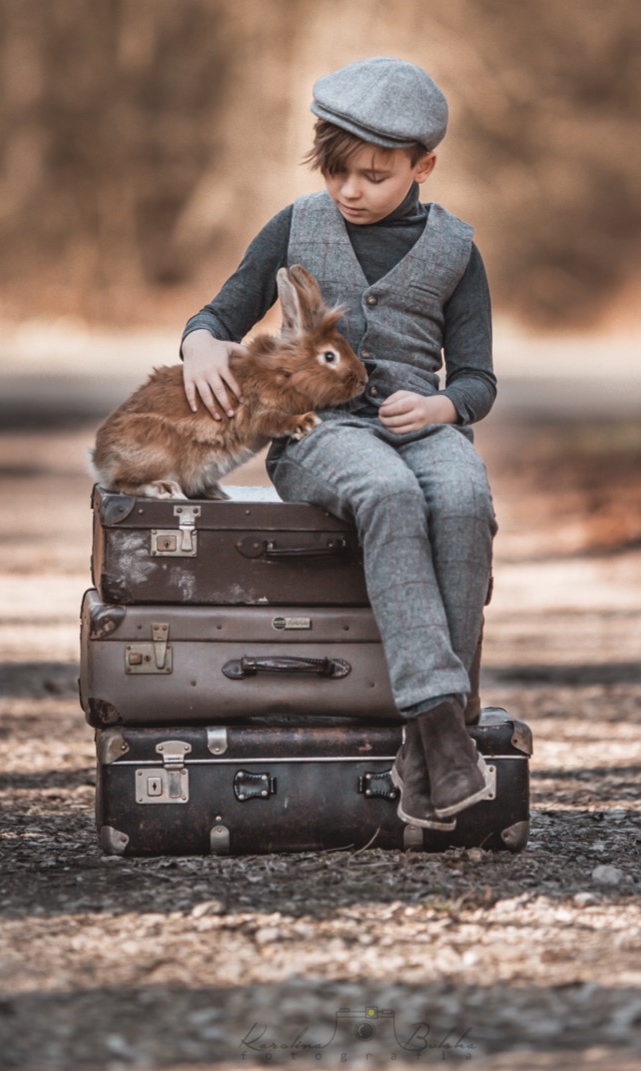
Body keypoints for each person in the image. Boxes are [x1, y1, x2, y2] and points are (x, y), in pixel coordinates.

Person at [179, 56, 499, 831]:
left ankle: (428, 754)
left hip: (420, 427)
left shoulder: (456, 250)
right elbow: (219, 314)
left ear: (423, 167)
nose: (350, 190)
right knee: (387, 493)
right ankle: (442, 728)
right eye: (336, 172)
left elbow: (478, 380)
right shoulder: (296, 225)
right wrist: (199, 345)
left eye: (374, 176)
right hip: (318, 432)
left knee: (463, 499)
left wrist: (441, 407)